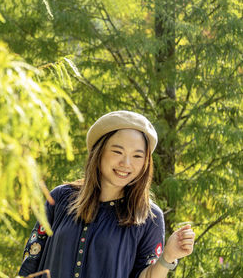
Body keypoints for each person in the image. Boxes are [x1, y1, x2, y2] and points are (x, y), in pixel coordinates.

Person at [18, 110, 195, 278]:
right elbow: (31, 260)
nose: (126, 163)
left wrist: (168, 257)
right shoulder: (60, 198)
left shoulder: (150, 218)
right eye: (117, 152)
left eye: (137, 156)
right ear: (99, 151)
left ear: (145, 163)